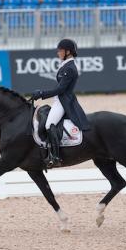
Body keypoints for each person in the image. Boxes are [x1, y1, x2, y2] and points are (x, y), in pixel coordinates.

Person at [31, 38, 90, 168]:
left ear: (68, 52)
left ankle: (55, 156)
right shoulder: (66, 65)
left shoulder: (70, 68)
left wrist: (41, 94)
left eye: (60, 51)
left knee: (49, 124)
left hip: (64, 102)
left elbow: (60, 89)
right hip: (59, 100)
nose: (58, 53)